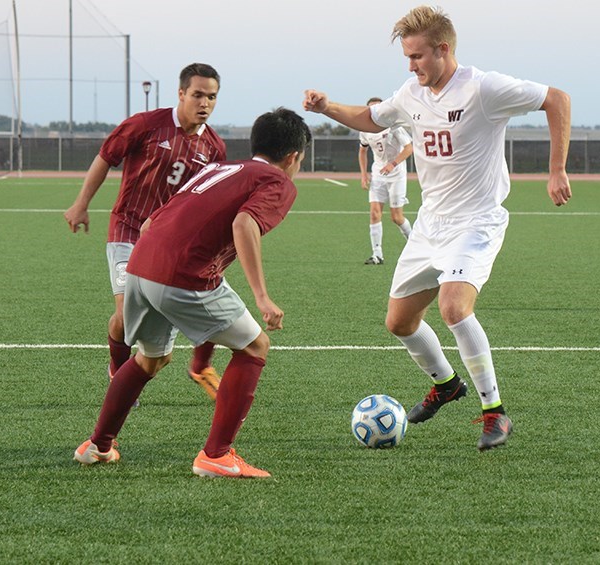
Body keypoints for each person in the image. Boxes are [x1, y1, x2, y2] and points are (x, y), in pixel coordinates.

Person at [303, 5, 571, 451]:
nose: (411, 66)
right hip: (431, 224)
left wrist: (557, 169)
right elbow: (372, 118)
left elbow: (556, 99)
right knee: (399, 321)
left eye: (417, 56)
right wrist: (327, 107)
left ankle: (495, 413)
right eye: (407, 57)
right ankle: (446, 385)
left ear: (443, 49)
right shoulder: (411, 93)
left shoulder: (483, 87)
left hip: (476, 221)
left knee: (453, 308)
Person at [74, 107, 312, 478]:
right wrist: (262, 297)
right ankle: (216, 455)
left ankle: (98, 446)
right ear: (294, 157)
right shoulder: (277, 181)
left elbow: (152, 222)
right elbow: (244, 224)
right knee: (255, 346)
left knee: (150, 359)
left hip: (141, 262)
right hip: (182, 273)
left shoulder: (218, 168)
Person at [64, 63, 227, 401]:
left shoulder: (214, 147)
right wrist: (81, 204)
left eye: (212, 97)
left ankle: (200, 365)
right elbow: (106, 157)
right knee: (126, 315)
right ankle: (118, 369)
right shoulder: (146, 125)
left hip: (170, 242)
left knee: (206, 297)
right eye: (198, 95)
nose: (205, 103)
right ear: (181, 93)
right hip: (128, 229)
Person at [358, 97, 414, 265]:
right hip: (378, 174)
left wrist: (392, 164)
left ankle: (415, 245)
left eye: (377, 108)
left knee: (396, 217)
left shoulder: (393, 126)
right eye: (371, 109)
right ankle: (377, 255)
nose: (375, 112)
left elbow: (409, 148)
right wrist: (363, 174)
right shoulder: (364, 130)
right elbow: (362, 151)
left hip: (396, 175)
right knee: (374, 213)